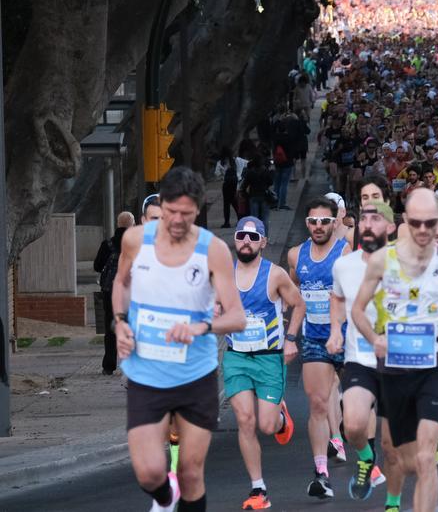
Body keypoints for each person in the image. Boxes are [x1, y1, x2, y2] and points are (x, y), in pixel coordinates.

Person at [112, 167, 244, 512]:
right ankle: (164, 497)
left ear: (198, 211)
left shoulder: (212, 250)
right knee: (150, 472)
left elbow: (236, 316)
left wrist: (201, 327)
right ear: (162, 206)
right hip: (146, 373)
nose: (176, 220)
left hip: (194, 375)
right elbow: (121, 283)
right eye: (170, 212)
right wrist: (121, 322)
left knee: (190, 471)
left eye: (186, 214)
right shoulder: (135, 240)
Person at [351, 188, 438, 512]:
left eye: (430, 223)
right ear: (406, 220)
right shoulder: (382, 260)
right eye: (417, 223)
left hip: (435, 367)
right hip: (393, 370)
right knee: (399, 457)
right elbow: (357, 309)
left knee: (424, 458)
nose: (423, 230)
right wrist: (373, 338)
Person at [223, 216, 304, 510]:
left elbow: (299, 304)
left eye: (253, 237)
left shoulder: (275, 275)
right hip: (237, 358)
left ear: (264, 243)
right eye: (242, 236)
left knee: (267, 426)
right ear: (235, 239)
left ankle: (281, 417)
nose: (246, 241)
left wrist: (292, 338)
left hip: (269, 358)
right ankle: (259, 489)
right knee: (245, 420)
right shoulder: (223, 275)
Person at [326, 200, 396, 504]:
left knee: (393, 445)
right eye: (364, 220)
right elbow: (337, 299)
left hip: (399, 363)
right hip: (360, 358)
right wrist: (334, 332)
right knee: (352, 425)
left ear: (390, 228)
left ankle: (393, 503)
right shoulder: (344, 264)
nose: (368, 225)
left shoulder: (405, 262)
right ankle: (366, 459)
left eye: (376, 220)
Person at [288, 197, 352, 499]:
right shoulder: (295, 255)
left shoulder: (347, 252)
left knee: (355, 410)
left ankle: (367, 459)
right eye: (313, 221)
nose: (318, 226)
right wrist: (288, 335)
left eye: (324, 221)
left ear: (334, 222)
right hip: (314, 338)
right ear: (307, 223)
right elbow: (294, 293)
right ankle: (320, 473)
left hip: (347, 338)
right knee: (317, 403)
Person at [94, 211, 135, 375]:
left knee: (110, 327)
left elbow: (97, 266)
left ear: (118, 224)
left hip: (110, 292)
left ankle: (109, 364)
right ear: (132, 225)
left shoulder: (108, 245)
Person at [215, 148, 247, 228]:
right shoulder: (236, 160)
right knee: (235, 203)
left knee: (226, 205)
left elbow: (217, 174)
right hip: (235, 184)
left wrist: (223, 176)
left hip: (226, 185)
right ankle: (240, 220)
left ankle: (227, 222)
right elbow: (247, 163)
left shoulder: (220, 163)